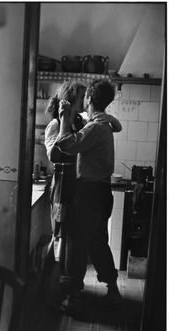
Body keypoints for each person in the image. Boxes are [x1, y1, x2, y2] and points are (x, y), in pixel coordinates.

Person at [55, 79, 123, 313]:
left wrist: (64, 117)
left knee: (78, 245)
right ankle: (113, 291)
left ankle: (73, 298)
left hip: (89, 194)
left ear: (90, 99)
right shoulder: (102, 123)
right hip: (101, 193)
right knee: (97, 243)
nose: (83, 100)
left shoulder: (95, 128)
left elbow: (65, 144)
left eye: (85, 97)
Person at [41, 80, 87, 308]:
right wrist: (63, 122)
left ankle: (68, 288)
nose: (84, 100)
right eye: (81, 97)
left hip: (78, 187)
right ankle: (49, 285)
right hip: (61, 188)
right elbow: (55, 157)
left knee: (73, 240)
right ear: (69, 100)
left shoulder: (83, 122)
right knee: (60, 238)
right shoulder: (54, 125)